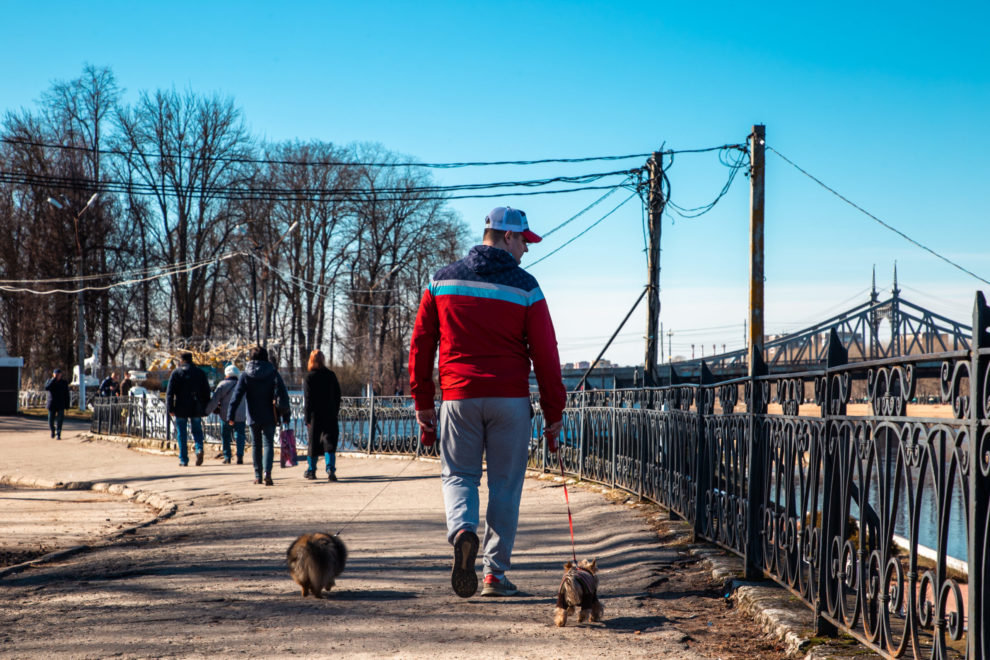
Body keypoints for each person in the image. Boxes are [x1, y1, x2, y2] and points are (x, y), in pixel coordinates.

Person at [409, 205, 566, 598]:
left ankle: (463, 530)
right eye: (524, 242)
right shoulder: (527, 287)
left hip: (459, 397)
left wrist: (422, 400)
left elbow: (421, 344)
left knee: (459, 476)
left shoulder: (441, 282)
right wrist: (554, 413)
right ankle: (494, 573)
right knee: (505, 485)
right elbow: (546, 354)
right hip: (509, 400)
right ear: (508, 237)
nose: (526, 251)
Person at [228, 346, 291, 486]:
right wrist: (286, 415)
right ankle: (267, 473)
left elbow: (236, 396)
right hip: (270, 414)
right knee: (268, 443)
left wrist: (231, 415)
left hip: (253, 415)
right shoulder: (273, 372)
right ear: (265, 357)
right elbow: (283, 394)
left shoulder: (245, 374)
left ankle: (258, 475)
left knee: (256, 445)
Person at [165, 352, 211, 467]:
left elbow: (169, 393)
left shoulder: (176, 373)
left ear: (181, 361)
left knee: (181, 433)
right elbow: (206, 391)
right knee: (197, 430)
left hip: (181, 406)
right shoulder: (200, 372)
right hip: (196, 406)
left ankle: (183, 459)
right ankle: (199, 448)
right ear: (192, 360)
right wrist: (205, 406)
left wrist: (170, 407)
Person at [302, 349, 342, 482]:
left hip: (315, 415)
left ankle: (311, 470)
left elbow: (308, 399)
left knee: (313, 443)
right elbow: (338, 395)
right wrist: (335, 411)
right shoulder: (331, 375)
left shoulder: (309, 377)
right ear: (323, 360)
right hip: (330, 414)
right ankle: (330, 469)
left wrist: (307, 417)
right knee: (329, 442)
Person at [206, 364, 248, 464]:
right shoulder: (243, 385)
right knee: (240, 436)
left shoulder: (222, 385)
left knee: (225, 436)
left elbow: (215, 400)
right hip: (241, 415)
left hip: (225, 415)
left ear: (226, 374)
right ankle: (240, 456)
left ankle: (227, 456)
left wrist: (206, 411)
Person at [44, 368, 70, 439]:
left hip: (60, 404)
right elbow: (47, 388)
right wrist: (53, 380)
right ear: (53, 374)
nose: (57, 376)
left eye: (59, 374)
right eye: (56, 374)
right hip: (51, 404)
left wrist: (67, 405)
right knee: (50, 420)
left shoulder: (64, 383)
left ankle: (58, 434)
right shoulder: (50, 381)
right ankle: (53, 430)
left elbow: (67, 394)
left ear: (61, 375)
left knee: (60, 420)